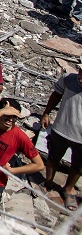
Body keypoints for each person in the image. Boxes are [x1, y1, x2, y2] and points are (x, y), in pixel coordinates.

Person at [41, 71, 82, 206]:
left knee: (78, 167)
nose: (81, 76)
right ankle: (48, 182)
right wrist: (46, 113)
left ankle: (68, 189)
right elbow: (56, 95)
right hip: (61, 129)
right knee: (53, 157)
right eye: (81, 71)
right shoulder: (68, 79)